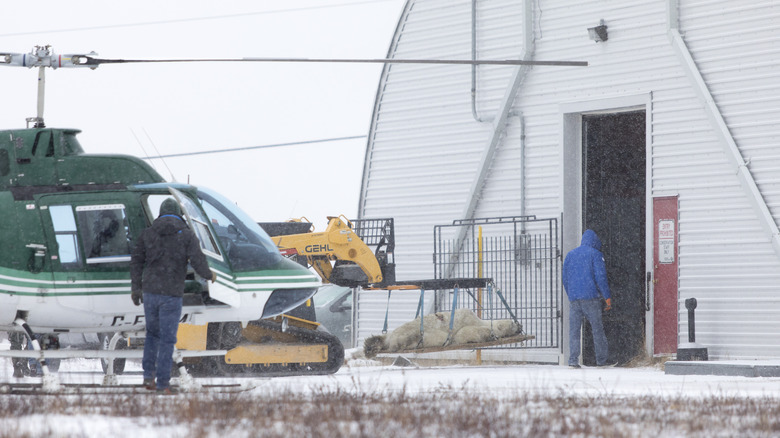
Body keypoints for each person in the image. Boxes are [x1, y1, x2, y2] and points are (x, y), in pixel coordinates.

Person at [130, 198, 216, 394]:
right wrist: (209, 275)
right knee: (168, 339)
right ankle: (162, 384)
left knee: (152, 335)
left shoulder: (148, 234)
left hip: (150, 292)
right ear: (179, 214)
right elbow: (198, 261)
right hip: (171, 293)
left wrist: (136, 288)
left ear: (160, 213)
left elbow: (135, 262)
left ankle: (148, 377)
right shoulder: (186, 235)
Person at [562, 229, 615, 368]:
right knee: (597, 329)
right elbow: (601, 277)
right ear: (594, 241)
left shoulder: (570, 255)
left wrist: (572, 294)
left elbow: (565, 279)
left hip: (574, 300)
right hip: (591, 298)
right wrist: (607, 297)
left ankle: (573, 360)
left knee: (574, 330)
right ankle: (601, 360)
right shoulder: (595, 254)